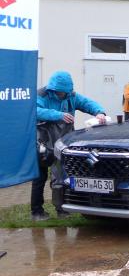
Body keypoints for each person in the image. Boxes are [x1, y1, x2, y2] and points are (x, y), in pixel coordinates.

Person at [32, 71, 106, 221]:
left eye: (65, 93)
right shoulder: (41, 95)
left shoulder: (71, 96)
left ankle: (62, 209)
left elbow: (87, 103)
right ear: (53, 89)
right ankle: (36, 211)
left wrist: (99, 112)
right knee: (40, 176)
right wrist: (58, 115)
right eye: (61, 93)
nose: (63, 95)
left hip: (63, 143)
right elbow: (34, 111)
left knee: (61, 176)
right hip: (43, 142)